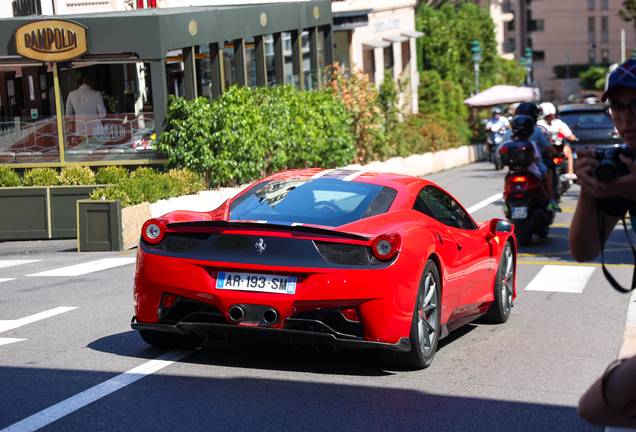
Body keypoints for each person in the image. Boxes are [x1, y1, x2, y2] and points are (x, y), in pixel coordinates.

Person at [573, 59, 636, 428]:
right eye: (617, 107)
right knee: (594, 407)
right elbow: (583, 251)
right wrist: (590, 192)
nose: (626, 118)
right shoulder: (624, 165)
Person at [502, 103, 561, 211]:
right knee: (548, 176)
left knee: (507, 181)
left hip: (513, 170)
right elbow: (544, 152)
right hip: (534, 168)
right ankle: (552, 201)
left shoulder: (509, 135)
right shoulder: (537, 132)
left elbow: (500, 151)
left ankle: (506, 204)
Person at [537, 102, 577, 180]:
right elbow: (572, 137)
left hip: (546, 151)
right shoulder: (559, 123)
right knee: (568, 150)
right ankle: (570, 172)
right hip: (558, 150)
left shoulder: (538, 124)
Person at [65, 76, 107, 143]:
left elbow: (68, 115)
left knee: (83, 150)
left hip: (80, 129)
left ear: (82, 83)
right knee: (97, 150)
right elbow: (103, 114)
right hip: (95, 129)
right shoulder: (96, 94)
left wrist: (78, 118)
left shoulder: (71, 94)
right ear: (92, 83)